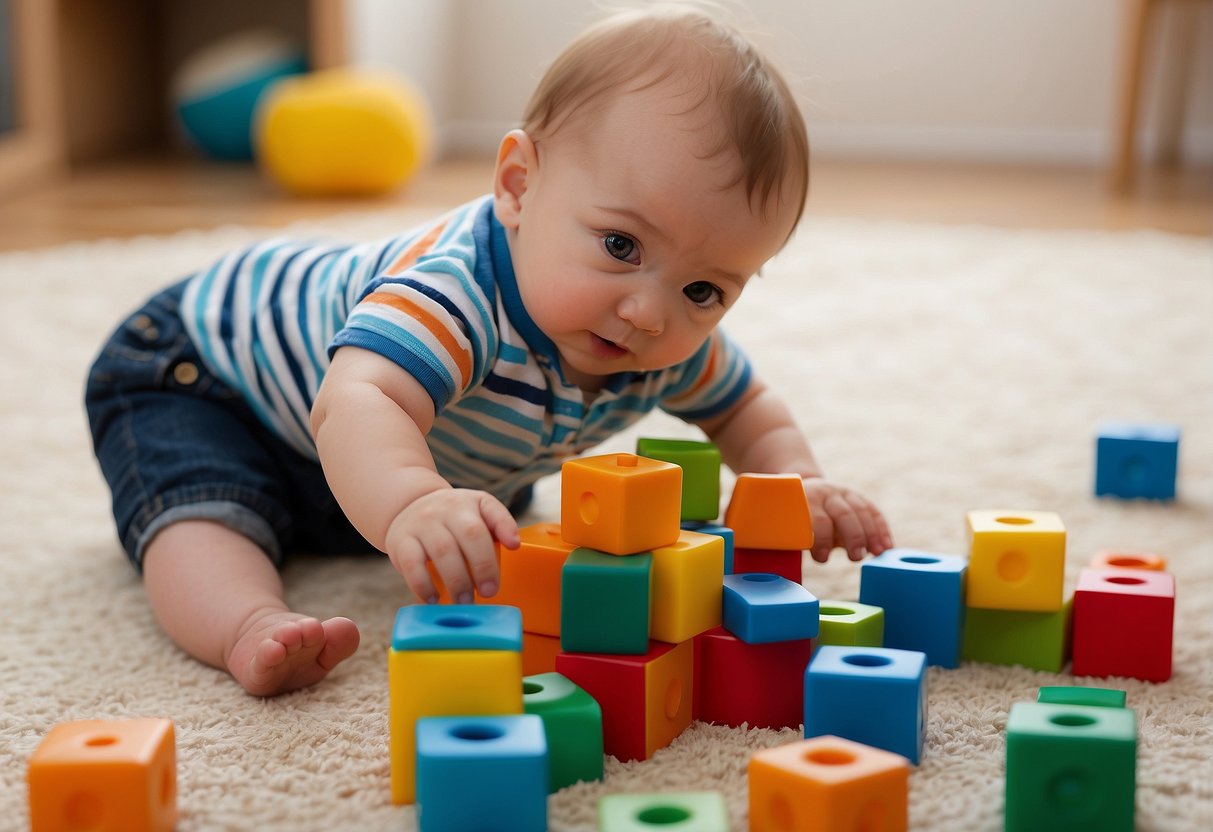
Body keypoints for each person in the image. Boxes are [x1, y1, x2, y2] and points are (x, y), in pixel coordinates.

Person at [85, 3, 893, 697]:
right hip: (211, 379)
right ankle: (248, 626)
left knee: (496, 520)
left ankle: (388, 498)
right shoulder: (454, 295)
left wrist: (796, 485)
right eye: (620, 244)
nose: (649, 311)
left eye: (704, 290)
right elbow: (358, 400)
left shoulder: (664, 340)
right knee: (207, 510)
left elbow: (747, 408)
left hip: (368, 453)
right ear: (517, 184)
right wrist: (410, 501)